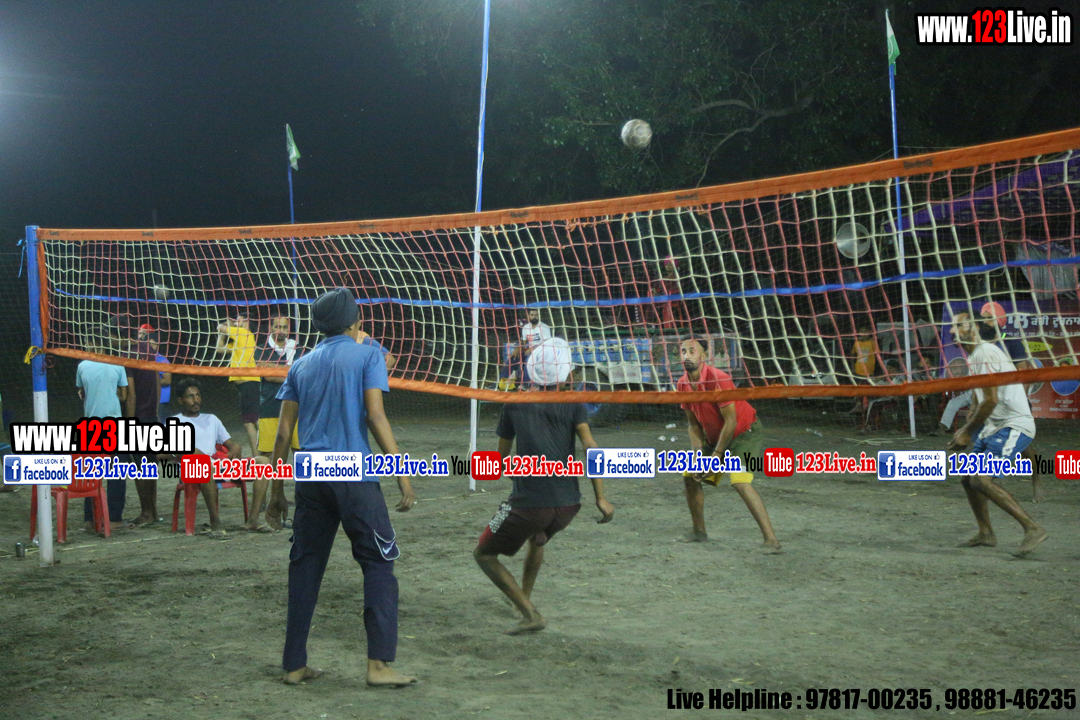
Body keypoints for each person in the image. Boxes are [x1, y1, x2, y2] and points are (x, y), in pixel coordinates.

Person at [269, 287, 416, 687]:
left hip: (310, 474)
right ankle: (378, 666)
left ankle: (294, 664)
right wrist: (401, 473)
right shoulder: (368, 355)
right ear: (356, 323)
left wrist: (276, 490)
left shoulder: (300, 364)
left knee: (305, 566)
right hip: (352, 472)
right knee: (378, 563)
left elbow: (283, 432)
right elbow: (375, 416)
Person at [475, 338, 614, 635]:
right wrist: (601, 497)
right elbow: (591, 447)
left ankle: (530, 613)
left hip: (530, 504)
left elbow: (499, 460)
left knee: (483, 555)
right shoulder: (574, 404)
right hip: (569, 505)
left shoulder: (514, 403)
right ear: (566, 374)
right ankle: (523, 599)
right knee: (537, 538)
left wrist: (517, 473)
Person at [947, 312, 1047, 557]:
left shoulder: (985, 352)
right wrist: (970, 419)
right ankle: (986, 533)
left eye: (958, 325)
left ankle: (1032, 528)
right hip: (995, 425)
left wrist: (967, 433)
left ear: (975, 328)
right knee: (968, 479)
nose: (952, 330)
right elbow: (983, 395)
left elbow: (991, 400)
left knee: (981, 480)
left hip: (1014, 424)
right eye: (952, 326)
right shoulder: (975, 355)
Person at [676, 338, 781, 552]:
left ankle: (772, 541)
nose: (686, 355)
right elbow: (693, 425)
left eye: (692, 351)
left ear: (703, 356)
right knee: (690, 476)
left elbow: (731, 421)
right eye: (683, 351)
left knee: (740, 482)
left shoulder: (718, 378)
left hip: (744, 433)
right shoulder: (682, 384)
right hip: (715, 437)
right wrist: (698, 456)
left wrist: (716, 457)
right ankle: (699, 532)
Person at [979, 302, 1043, 502]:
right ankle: (985, 484)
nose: (984, 322)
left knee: (1026, 449)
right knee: (985, 442)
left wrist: (1018, 401)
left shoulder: (1011, 343)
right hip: (991, 404)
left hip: (1013, 404)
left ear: (999, 321)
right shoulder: (980, 345)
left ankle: (1036, 481)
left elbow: (1024, 374)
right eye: (982, 318)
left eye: (989, 318)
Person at [168, 378, 243, 538]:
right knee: (205, 466)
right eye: (190, 396)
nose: (196, 400)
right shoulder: (175, 421)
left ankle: (253, 520)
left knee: (262, 462)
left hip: (215, 465)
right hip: (190, 469)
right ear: (180, 400)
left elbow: (230, 444)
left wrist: (236, 447)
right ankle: (215, 522)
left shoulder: (212, 419)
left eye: (198, 395)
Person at [247, 316, 302, 532]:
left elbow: (299, 373)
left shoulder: (297, 348)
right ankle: (262, 506)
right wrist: (291, 372)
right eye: (277, 326)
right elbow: (267, 374)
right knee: (267, 460)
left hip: (296, 409)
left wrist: (279, 370)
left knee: (302, 456)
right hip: (270, 410)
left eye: (284, 327)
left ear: (289, 329)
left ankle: (303, 504)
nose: (281, 330)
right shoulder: (261, 349)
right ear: (270, 328)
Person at [109, 320, 161, 527]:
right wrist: (155, 412)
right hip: (151, 416)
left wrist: (129, 425)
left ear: (119, 336)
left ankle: (146, 513)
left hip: (138, 417)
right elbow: (157, 382)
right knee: (150, 467)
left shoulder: (128, 354)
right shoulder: (149, 350)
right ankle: (153, 511)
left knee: (141, 469)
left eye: (112, 336)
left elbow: (131, 394)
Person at [76, 348, 133, 531]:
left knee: (91, 474)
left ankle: (90, 519)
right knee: (117, 473)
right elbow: (124, 396)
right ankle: (114, 518)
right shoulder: (117, 363)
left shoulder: (82, 365)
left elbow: (82, 393)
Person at [215, 311, 260, 456]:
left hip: (249, 384)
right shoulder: (239, 339)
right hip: (246, 386)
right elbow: (219, 348)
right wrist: (223, 333)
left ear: (246, 322)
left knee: (253, 422)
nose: (235, 323)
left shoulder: (243, 333)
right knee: (251, 422)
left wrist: (226, 324)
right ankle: (259, 456)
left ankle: (261, 455)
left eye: (238, 320)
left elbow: (220, 327)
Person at [140, 324, 172, 423]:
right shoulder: (142, 359)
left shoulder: (162, 360)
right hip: (146, 401)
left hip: (161, 402)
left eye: (143, 334)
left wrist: (149, 381)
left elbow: (167, 380)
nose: (140, 337)